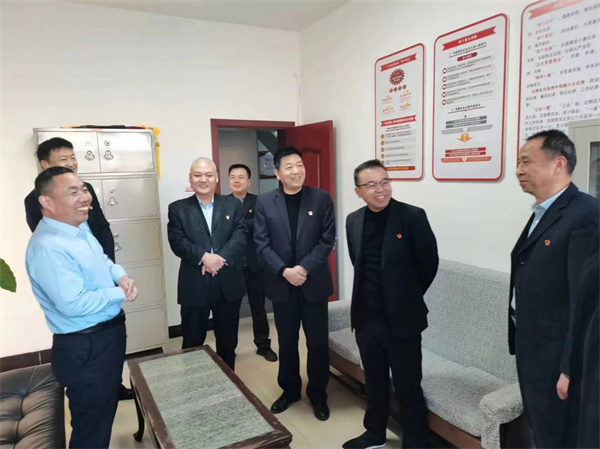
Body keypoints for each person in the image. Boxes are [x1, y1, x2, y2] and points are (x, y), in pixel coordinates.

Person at [25, 167, 138, 448]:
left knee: (102, 416)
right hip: (86, 346)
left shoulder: (79, 228)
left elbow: (103, 260)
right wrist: (117, 293)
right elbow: (73, 304)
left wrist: (120, 276)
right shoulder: (48, 246)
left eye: (84, 190)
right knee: (91, 428)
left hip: (106, 337)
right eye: (73, 192)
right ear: (47, 202)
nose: (84, 198)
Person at [510, 129, 599, 448]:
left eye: (526, 162)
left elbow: (584, 300)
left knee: (558, 435)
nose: (518, 170)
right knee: (541, 427)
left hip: (558, 355)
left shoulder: (585, 215)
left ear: (558, 163)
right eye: (518, 163)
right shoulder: (543, 212)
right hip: (532, 346)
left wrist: (569, 369)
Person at [343, 159, 439, 449]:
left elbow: (428, 264)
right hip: (366, 318)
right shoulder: (353, 220)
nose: (380, 189)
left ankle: (416, 442)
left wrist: (405, 295)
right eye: (371, 184)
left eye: (385, 181)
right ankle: (374, 433)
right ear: (358, 191)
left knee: (408, 385)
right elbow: (358, 261)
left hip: (402, 319)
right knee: (374, 381)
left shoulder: (412, 217)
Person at [254, 147, 336, 421]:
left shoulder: (321, 198)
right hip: (282, 285)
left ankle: (318, 394)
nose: (296, 171)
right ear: (277, 173)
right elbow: (261, 244)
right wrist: (284, 271)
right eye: (289, 167)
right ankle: (290, 391)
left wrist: (302, 268)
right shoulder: (265, 202)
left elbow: (327, 240)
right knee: (287, 341)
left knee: (318, 343)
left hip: (314, 283)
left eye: (299, 165)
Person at [167, 157, 247, 370]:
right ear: (190, 178)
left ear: (216, 178)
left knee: (228, 340)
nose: (203, 179)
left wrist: (220, 259)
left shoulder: (232, 205)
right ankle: (195, 382)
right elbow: (177, 241)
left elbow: (240, 235)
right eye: (198, 175)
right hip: (195, 282)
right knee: (192, 339)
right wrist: (204, 257)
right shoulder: (177, 209)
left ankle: (228, 380)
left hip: (228, 282)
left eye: (208, 175)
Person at [227, 163, 277, 362]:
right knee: (231, 311)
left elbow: (263, 227)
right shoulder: (222, 203)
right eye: (233, 177)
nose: (236, 180)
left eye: (241, 177)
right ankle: (228, 349)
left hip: (256, 265)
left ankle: (263, 346)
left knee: (258, 308)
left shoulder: (260, 202)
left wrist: (237, 225)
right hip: (232, 266)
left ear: (248, 181)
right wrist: (248, 223)